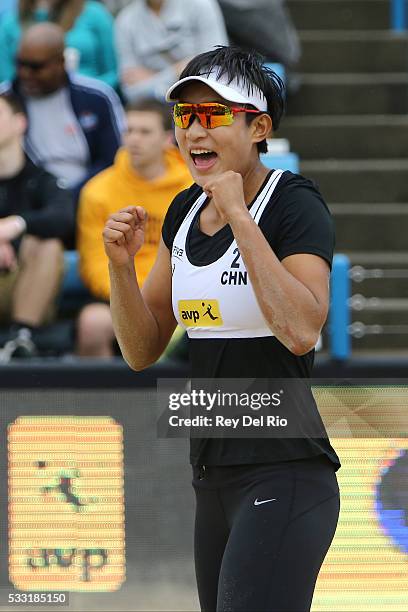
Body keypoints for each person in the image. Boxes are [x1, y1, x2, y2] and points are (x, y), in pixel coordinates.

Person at [103, 46, 341, 611]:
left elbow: (302, 329)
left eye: (212, 115)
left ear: (259, 127)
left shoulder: (293, 203)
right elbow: (142, 351)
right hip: (212, 475)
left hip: (284, 472)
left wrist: (238, 214)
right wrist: (120, 267)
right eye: (184, 117)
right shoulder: (185, 210)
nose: (193, 131)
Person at [76, 98, 192, 357]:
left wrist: (159, 295)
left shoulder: (192, 187)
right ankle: (104, 397)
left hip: (179, 296)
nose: (134, 139)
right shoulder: (97, 191)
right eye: (128, 131)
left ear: (167, 138)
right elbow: (94, 263)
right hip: (122, 294)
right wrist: (135, 296)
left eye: (145, 131)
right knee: (93, 323)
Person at [0, 22, 124, 205]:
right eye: (20, 64)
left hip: (89, 196)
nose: (25, 73)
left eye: (36, 67)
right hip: (25, 199)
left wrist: (71, 196)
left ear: (61, 62)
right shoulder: (5, 99)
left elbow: (114, 157)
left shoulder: (97, 97)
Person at [0, 92, 74, 361]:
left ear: (20, 123)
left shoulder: (42, 180)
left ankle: (21, 339)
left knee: (45, 242)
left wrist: (16, 226)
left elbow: (64, 218)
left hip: (26, 285)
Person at [115, 0, 228, 103]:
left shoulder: (201, 5)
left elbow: (216, 67)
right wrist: (177, 71)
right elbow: (131, 92)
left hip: (201, 100)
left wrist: (153, 77)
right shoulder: (125, 20)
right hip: (153, 108)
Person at [0, 0, 118, 88]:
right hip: (30, 99)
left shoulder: (95, 15)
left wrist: (90, 92)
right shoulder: (10, 23)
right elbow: (7, 80)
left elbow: (114, 72)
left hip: (89, 98)